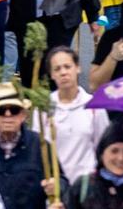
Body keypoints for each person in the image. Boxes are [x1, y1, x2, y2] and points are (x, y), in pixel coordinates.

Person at [0, 82, 59, 209]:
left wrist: (56, 186)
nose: (8, 115)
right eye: (1, 110)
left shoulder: (40, 145)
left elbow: (60, 180)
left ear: (24, 115)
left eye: (14, 110)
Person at [31, 48, 105, 184]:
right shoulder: (43, 108)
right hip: (55, 186)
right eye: (57, 69)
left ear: (78, 68)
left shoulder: (94, 106)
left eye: (67, 67)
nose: (63, 72)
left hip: (87, 187)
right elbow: (37, 149)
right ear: (52, 74)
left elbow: (103, 147)